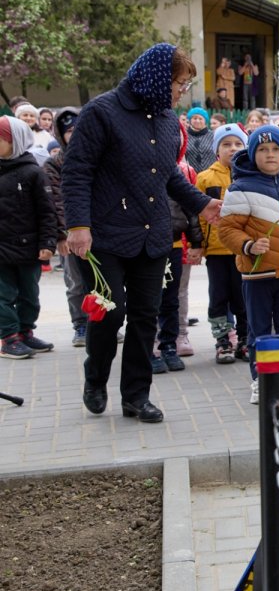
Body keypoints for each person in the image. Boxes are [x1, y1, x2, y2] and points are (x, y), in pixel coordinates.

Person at [62, 43, 222, 423]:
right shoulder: (102, 112)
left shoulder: (167, 120)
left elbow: (167, 175)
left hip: (153, 236)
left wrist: (202, 204)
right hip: (104, 235)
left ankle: (136, 396)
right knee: (109, 311)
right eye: (179, 83)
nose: (182, 92)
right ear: (156, 78)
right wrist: (78, 226)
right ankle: (95, 377)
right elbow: (77, 170)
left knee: (146, 316)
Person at [219, 124, 279, 404]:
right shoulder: (240, 188)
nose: (270, 155)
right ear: (252, 154)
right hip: (257, 274)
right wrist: (249, 245)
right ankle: (260, 380)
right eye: (263, 149)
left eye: (276, 149)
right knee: (260, 330)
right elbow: (227, 230)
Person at [0, 116, 57, 359]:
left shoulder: (33, 172)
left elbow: (47, 211)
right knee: (3, 296)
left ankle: (26, 332)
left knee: (29, 295)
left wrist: (48, 243)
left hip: (29, 247)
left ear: (15, 140)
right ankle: (9, 337)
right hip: (1, 249)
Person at [196, 123, 250, 364]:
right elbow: (197, 214)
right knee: (219, 296)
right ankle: (222, 342)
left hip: (244, 250)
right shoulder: (205, 178)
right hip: (217, 250)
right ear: (217, 150)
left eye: (238, 144)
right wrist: (199, 243)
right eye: (226, 144)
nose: (233, 149)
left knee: (243, 297)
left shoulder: (250, 178)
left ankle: (245, 340)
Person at [153, 122, 202, 373]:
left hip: (172, 244)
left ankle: (169, 345)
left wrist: (196, 242)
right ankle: (150, 346)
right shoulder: (141, 170)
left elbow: (192, 208)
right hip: (145, 246)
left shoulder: (180, 173)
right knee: (147, 299)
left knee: (171, 298)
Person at [42, 107, 86, 346]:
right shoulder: (54, 164)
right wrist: (61, 234)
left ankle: (102, 323)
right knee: (76, 281)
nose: (74, 134)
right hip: (70, 233)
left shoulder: (98, 157)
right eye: (69, 130)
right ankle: (80, 324)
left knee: (101, 280)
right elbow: (55, 202)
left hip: (100, 232)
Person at [184, 106, 214, 173]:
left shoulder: (212, 136)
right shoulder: (184, 136)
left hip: (210, 175)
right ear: (190, 120)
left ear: (205, 121)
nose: (197, 121)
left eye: (200, 119)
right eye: (195, 118)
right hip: (190, 176)